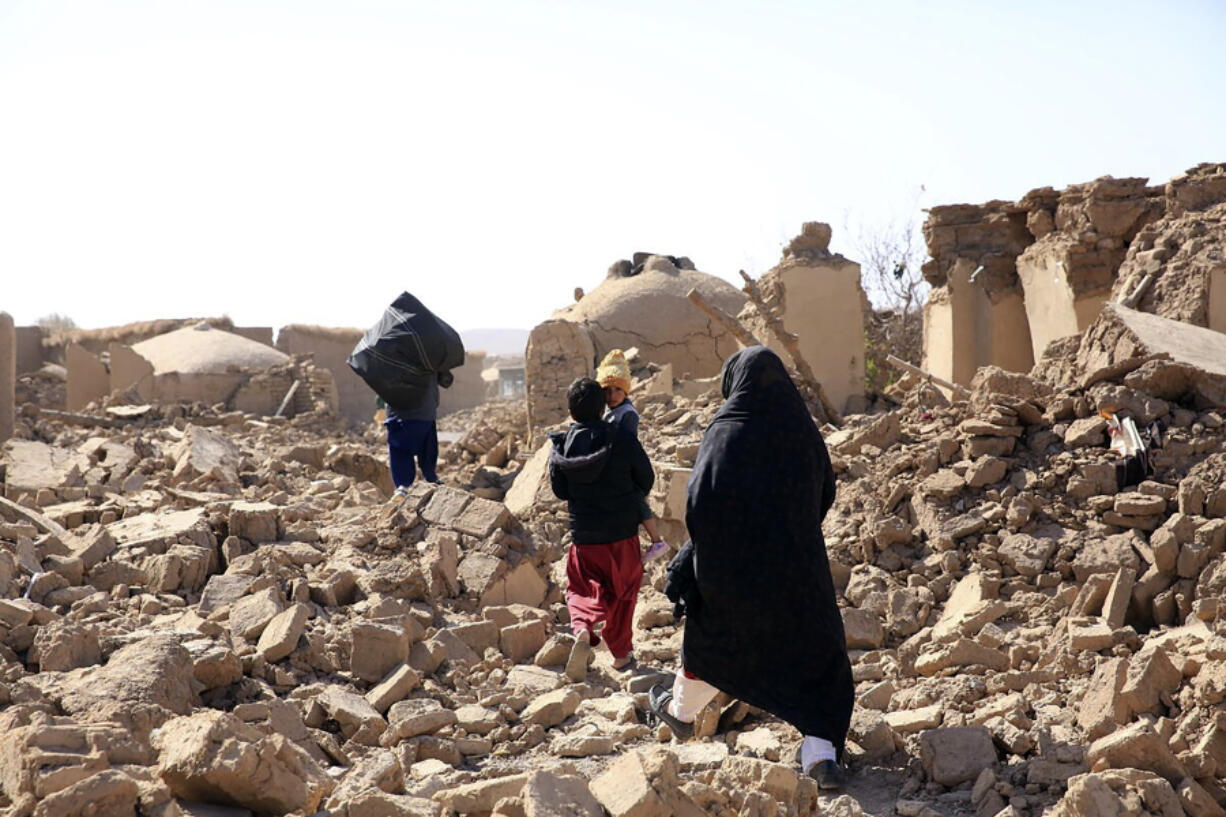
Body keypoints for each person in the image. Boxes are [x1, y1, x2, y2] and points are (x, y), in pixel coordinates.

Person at [648, 346, 854, 789]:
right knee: (816, 652)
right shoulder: (801, 431)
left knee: (714, 639)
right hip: (796, 568)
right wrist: (791, 530)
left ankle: (681, 712)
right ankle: (820, 755)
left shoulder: (724, 430)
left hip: (730, 568)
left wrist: (705, 555)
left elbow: (699, 504)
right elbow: (825, 490)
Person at [549, 376, 655, 675]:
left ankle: (582, 626)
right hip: (622, 533)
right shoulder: (620, 437)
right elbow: (646, 478)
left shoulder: (562, 445)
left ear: (571, 411)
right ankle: (621, 655)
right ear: (601, 407)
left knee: (583, 587)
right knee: (623, 592)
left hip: (585, 535)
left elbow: (560, 491)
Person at [596, 349, 668, 562]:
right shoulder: (611, 410)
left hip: (628, 467)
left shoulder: (627, 414)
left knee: (636, 501)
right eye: (607, 390)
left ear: (626, 391)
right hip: (620, 466)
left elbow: (625, 444)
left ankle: (657, 540)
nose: (612, 395)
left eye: (618, 389)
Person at [386, 369, 453, 496]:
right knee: (427, 449)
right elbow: (446, 380)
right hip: (425, 411)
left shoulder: (384, 351)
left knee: (400, 451)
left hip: (398, 412)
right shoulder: (428, 352)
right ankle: (431, 481)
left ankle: (402, 488)